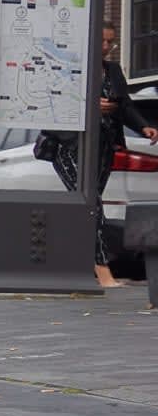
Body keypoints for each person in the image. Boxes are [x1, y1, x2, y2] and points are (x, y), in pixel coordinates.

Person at [46, 24, 158, 287]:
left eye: (111, 42)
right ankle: (102, 270)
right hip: (70, 146)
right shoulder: (68, 67)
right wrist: (91, 107)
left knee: (85, 207)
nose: (107, 47)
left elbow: (125, 105)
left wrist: (144, 126)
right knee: (91, 204)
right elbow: (53, 104)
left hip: (105, 146)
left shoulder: (113, 70)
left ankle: (70, 267)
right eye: (102, 41)